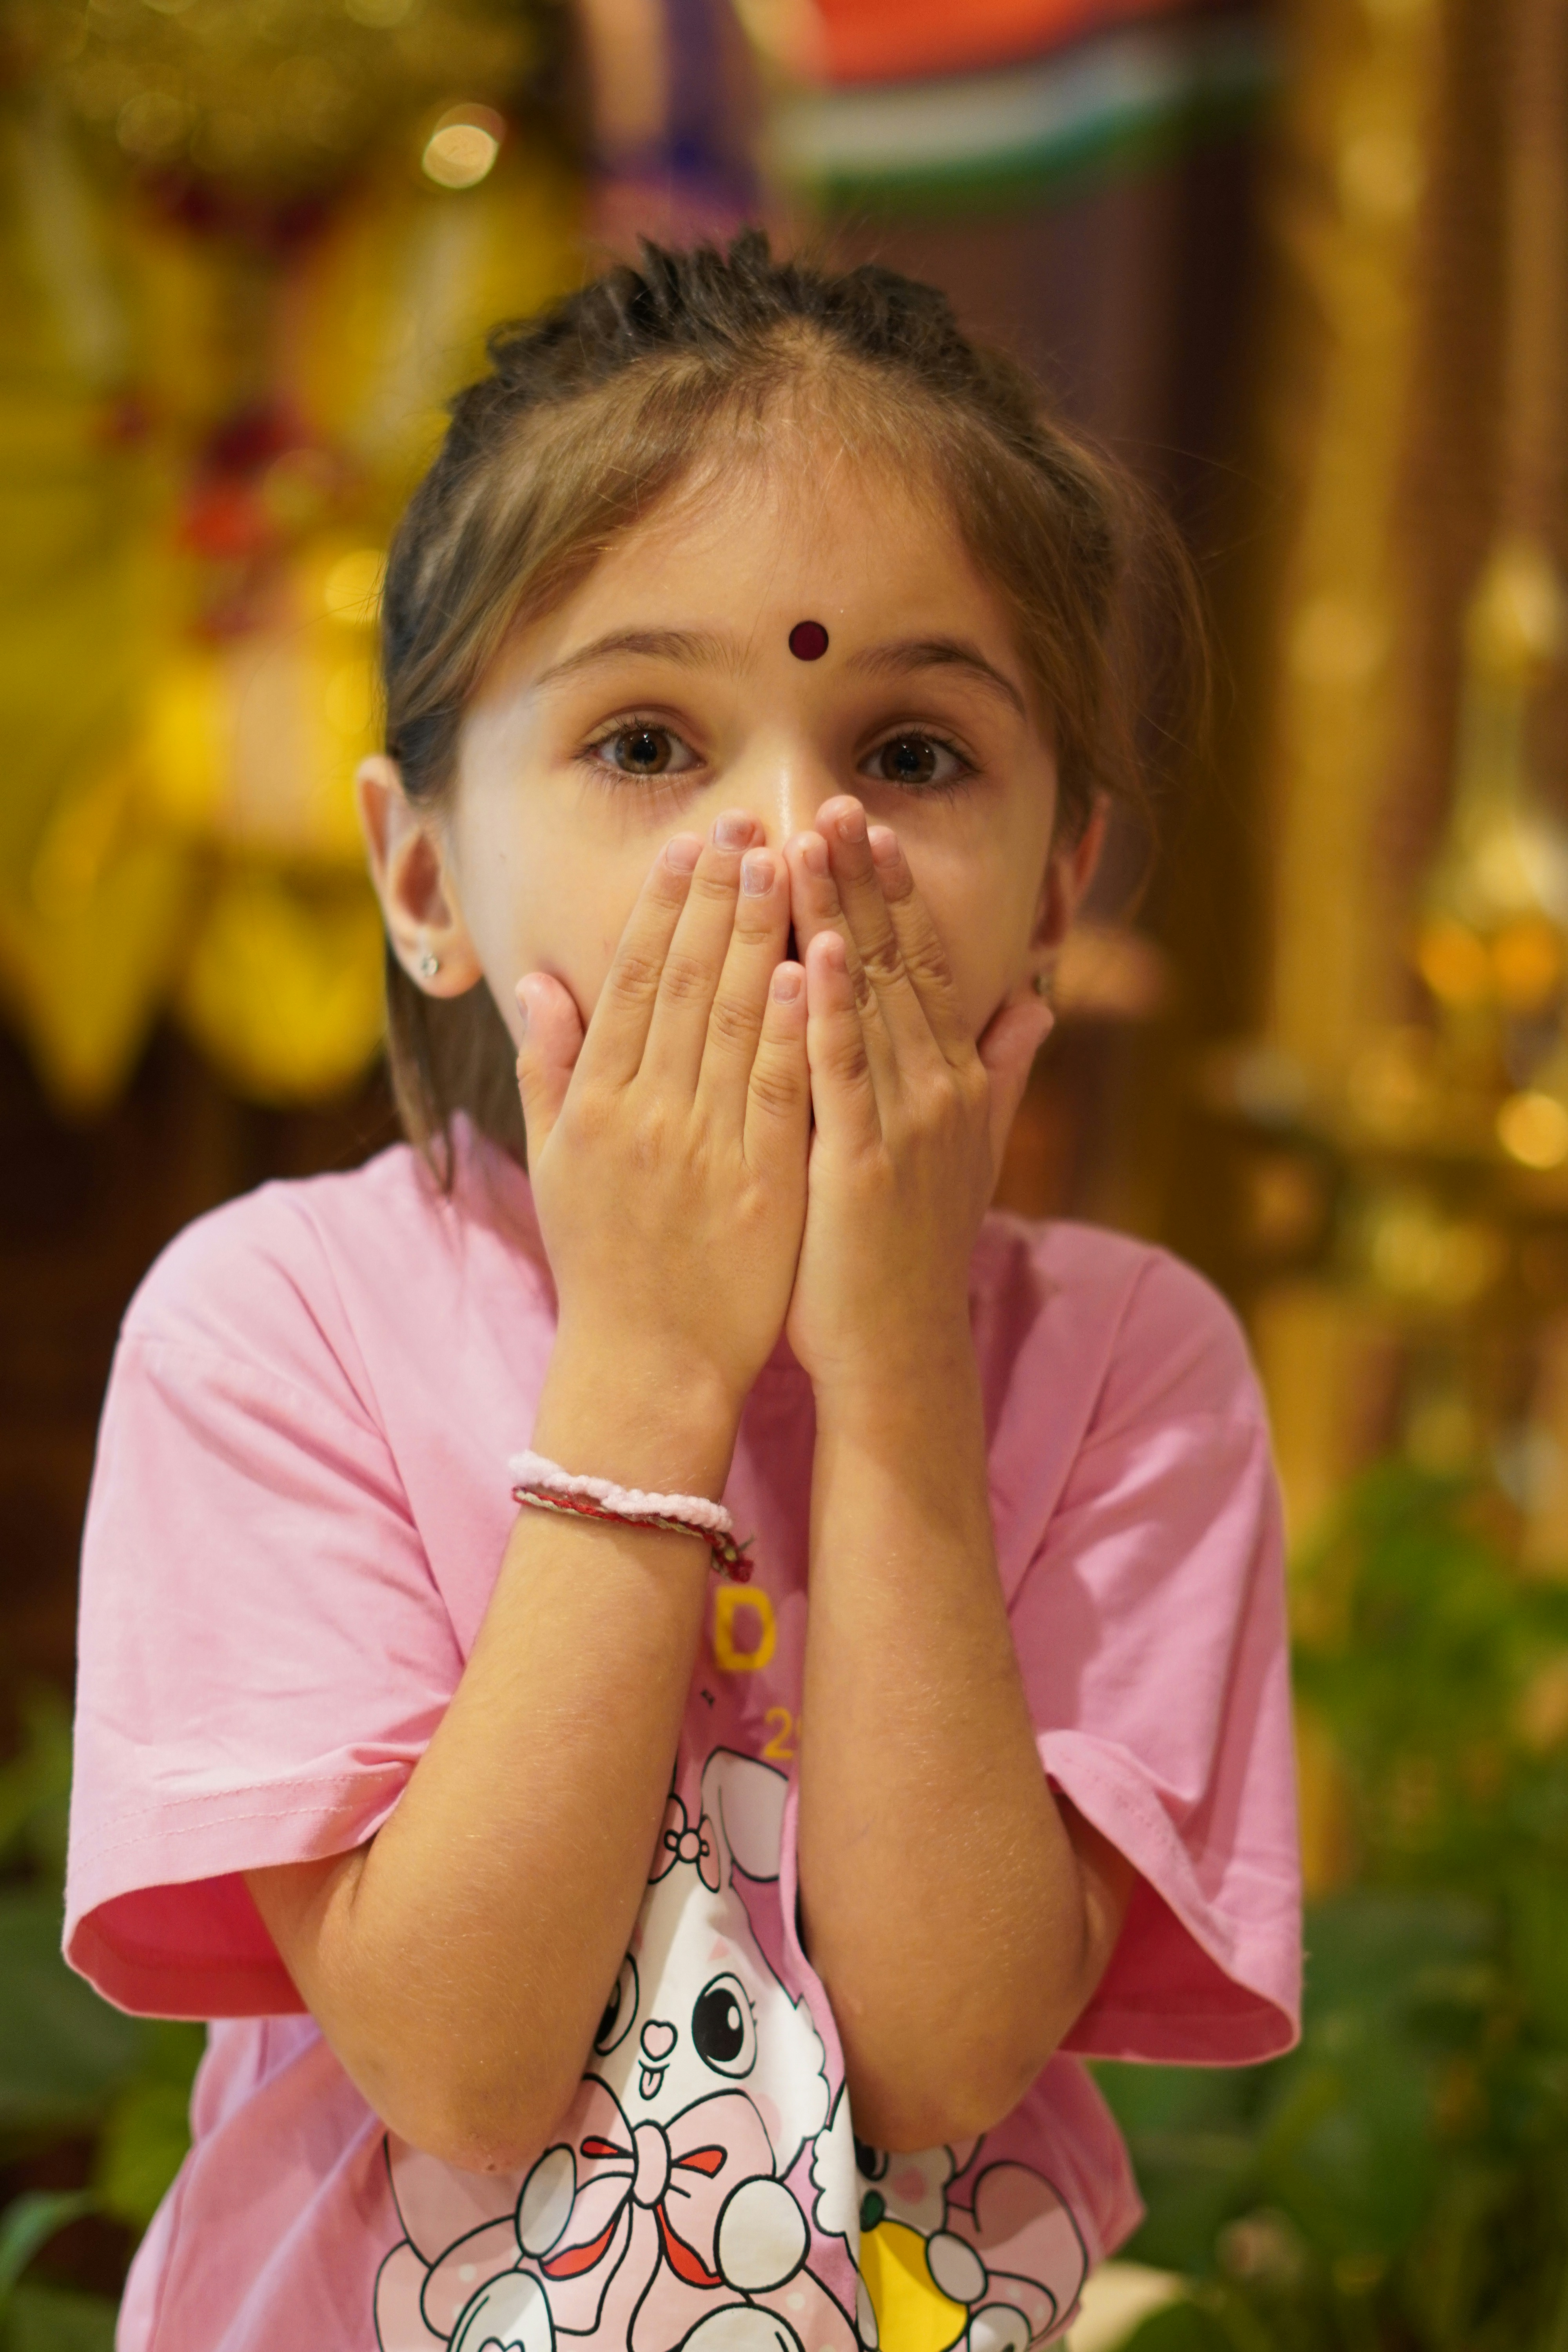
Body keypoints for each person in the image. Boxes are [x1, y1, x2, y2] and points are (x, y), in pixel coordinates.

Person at [65, 235, 1301, 2352]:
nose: (792, 839)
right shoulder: (273, 1325)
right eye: (649, 741)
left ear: (1057, 896)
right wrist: (644, 1370)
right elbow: (454, 2066)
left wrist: (903, 1379)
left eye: (913, 754)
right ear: (424, 878)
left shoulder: (1129, 1368)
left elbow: (937, 2064)